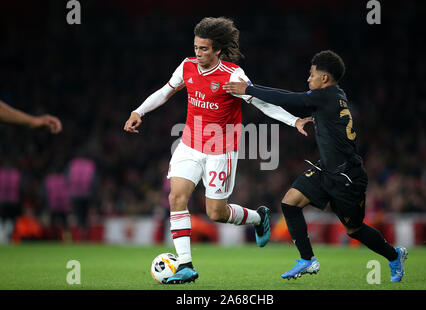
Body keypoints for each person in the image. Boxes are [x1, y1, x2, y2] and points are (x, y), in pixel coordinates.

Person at [124, 17, 312, 284]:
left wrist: (294, 120)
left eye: (203, 49)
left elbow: (262, 103)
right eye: (196, 47)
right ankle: (186, 265)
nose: (197, 53)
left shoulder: (233, 75)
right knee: (176, 197)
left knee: (216, 213)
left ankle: (258, 218)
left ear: (217, 51)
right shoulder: (187, 66)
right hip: (188, 143)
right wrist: (138, 111)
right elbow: (165, 92)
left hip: (220, 150)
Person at [223, 50, 408, 282]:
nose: (308, 79)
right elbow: (295, 100)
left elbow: (289, 99)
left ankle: (394, 255)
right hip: (327, 169)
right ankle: (307, 259)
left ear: (325, 78)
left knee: (354, 230)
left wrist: (248, 89)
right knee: (289, 202)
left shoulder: (327, 95)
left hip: (347, 177)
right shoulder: (334, 95)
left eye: (312, 75)